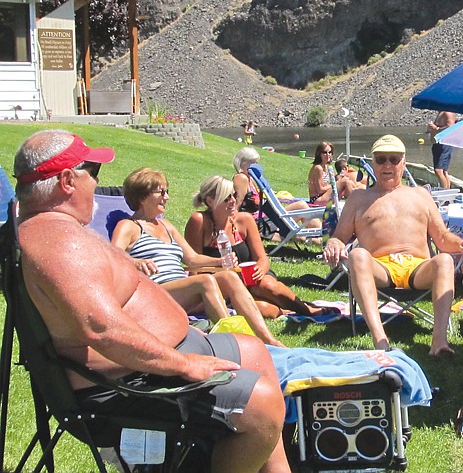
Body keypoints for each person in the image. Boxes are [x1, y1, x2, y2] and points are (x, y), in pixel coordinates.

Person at [13, 130, 290, 473]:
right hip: (123, 386)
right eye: (94, 173)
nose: (97, 184)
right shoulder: (58, 243)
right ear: (68, 180)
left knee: (254, 351)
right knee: (261, 404)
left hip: (148, 362)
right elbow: (101, 329)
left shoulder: (57, 230)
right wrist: (183, 364)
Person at [323, 134, 463, 357]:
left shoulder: (420, 195)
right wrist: (333, 243)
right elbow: (339, 237)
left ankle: (439, 342)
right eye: (381, 160)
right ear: (372, 164)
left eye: (394, 159)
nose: (387, 165)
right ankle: (380, 341)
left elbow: (443, 239)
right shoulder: (359, 198)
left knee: (444, 260)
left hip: (418, 268)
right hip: (380, 268)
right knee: (358, 255)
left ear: (403, 163)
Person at [111, 167, 284, 347]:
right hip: (156, 293)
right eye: (161, 192)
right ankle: (237, 343)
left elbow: (192, 259)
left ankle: (269, 340)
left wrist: (220, 262)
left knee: (229, 276)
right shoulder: (128, 226)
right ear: (142, 196)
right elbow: (112, 255)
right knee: (205, 281)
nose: (167, 197)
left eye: (167, 191)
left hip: (182, 292)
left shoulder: (166, 225)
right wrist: (135, 262)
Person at [184, 175, 340, 319]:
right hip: (224, 285)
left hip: (255, 278)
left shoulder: (244, 220)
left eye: (234, 195)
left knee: (265, 285)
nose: (233, 201)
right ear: (211, 201)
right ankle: (288, 309)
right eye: (226, 198)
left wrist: (259, 269)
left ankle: (308, 311)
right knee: (264, 309)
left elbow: (262, 258)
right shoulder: (200, 221)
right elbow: (194, 268)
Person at [427, 110, 456, 189]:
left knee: (438, 170)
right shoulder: (441, 112)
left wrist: (436, 128)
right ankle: (447, 191)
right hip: (438, 143)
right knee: (443, 171)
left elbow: (451, 127)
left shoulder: (447, 112)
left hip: (444, 144)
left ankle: (444, 192)